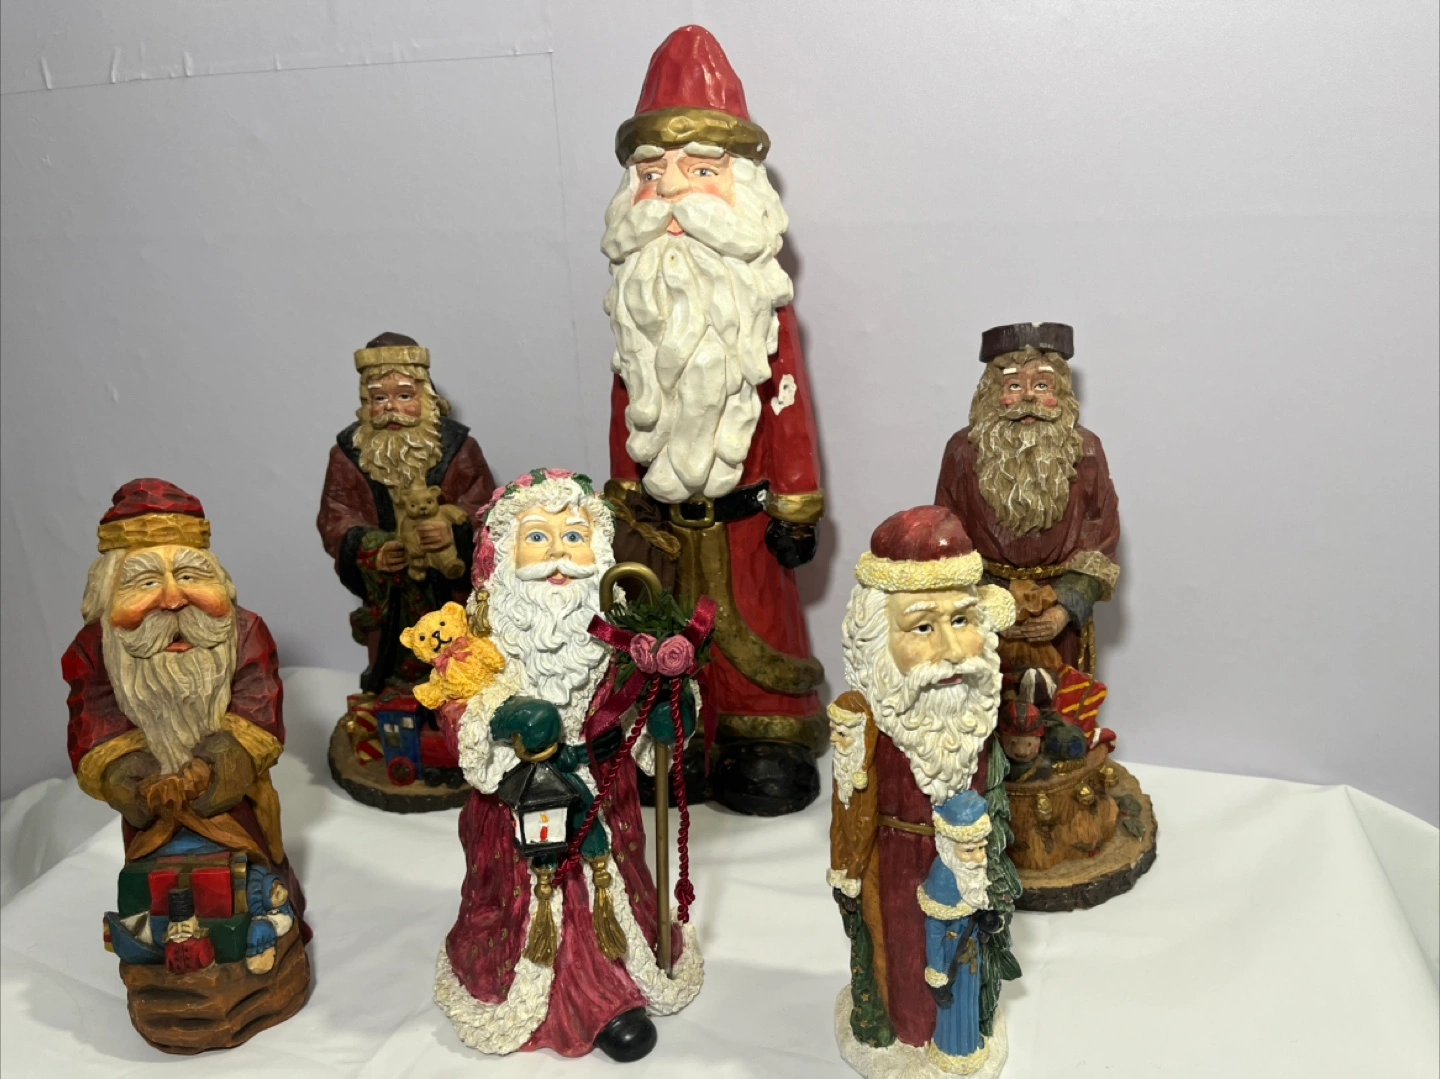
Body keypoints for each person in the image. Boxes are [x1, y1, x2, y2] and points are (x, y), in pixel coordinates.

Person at [602, 26, 825, 815]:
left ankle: (764, 734)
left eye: (699, 171)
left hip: (745, 525)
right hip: (662, 531)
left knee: (757, 628)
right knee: (663, 636)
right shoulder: (638, 303)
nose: (671, 192)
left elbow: (788, 403)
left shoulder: (760, 304)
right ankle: (678, 733)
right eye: (651, 173)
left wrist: (798, 501)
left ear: (740, 185)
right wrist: (623, 500)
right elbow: (626, 402)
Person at [434, 470, 701, 1061]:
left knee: (618, 881)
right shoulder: (480, 634)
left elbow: (640, 698)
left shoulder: (617, 629)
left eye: (574, 537)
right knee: (529, 895)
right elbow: (455, 709)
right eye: (538, 537)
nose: (559, 554)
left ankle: (614, 978)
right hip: (517, 802)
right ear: (503, 554)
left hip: (608, 790)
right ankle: (575, 997)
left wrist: (666, 710)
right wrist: (505, 717)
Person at [828, 506, 1020, 1078]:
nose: (952, 649)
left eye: (962, 620)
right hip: (896, 862)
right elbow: (852, 806)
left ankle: (958, 1038)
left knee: (961, 965)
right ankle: (910, 1036)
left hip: (966, 866)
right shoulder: (873, 719)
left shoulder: (976, 707)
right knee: (907, 972)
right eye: (921, 628)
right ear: (876, 640)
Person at [63, 478, 306, 921]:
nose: (174, 600)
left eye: (191, 576)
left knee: (253, 888)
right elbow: (93, 727)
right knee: (155, 894)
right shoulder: (95, 647)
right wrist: (136, 781)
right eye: (145, 582)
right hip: (150, 812)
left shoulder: (245, 632)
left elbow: (258, 713)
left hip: (236, 801)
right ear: (108, 594)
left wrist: (210, 770)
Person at [935, 323, 1119, 676]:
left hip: (1057, 613)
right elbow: (948, 541)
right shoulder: (962, 452)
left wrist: (1063, 609)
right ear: (992, 392)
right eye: (1015, 386)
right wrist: (986, 605)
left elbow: (1101, 542)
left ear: (1060, 391)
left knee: (1059, 698)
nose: (1029, 398)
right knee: (989, 696)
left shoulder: (1086, 451)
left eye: (1042, 385)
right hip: (985, 613)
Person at [318, 332, 495, 692]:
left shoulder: (460, 448)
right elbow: (337, 515)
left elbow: (486, 509)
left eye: (404, 396)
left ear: (425, 397)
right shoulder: (348, 454)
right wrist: (373, 549)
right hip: (391, 595)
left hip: (448, 592)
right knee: (393, 676)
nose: (391, 408)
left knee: (457, 666)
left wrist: (454, 533)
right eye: (379, 398)